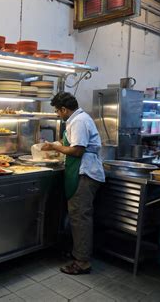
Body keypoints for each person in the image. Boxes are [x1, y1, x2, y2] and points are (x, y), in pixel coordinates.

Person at [42, 92, 105, 275]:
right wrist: (56, 145)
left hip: (85, 174)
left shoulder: (78, 121)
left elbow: (77, 150)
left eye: (57, 111)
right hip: (81, 172)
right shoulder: (77, 119)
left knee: (80, 218)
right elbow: (70, 144)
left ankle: (82, 262)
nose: (57, 114)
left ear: (64, 109)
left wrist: (54, 146)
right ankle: (79, 254)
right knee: (78, 217)